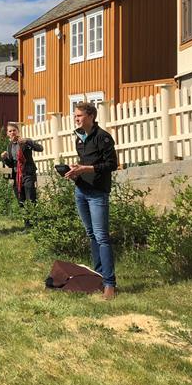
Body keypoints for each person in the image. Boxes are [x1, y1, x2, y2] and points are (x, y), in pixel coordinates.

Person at [64, 102, 119, 300]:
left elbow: (112, 164)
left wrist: (85, 169)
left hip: (97, 193)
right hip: (81, 190)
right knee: (91, 234)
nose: (76, 118)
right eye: (75, 115)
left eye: (79, 115)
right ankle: (97, 277)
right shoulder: (79, 138)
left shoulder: (103, 137)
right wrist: (75, 170)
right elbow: (84, 164)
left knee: (102, 236)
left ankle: (109, 284)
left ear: (91, 116)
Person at [1, 122, 44, 227]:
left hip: (28, 173)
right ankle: (27, 224)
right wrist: (5, 158)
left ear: (18, 131)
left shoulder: (25, 142)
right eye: (10, 131)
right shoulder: (10, 145)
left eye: (14, 130)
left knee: (31, 198)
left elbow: (40, 148)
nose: (12, 133)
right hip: (17, 175)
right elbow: (11, 164)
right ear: (7, 134)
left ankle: (34, 223)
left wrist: (28, 142)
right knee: (21, 199)